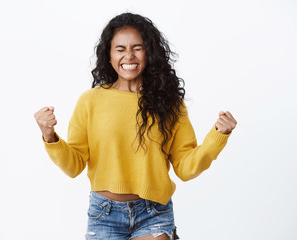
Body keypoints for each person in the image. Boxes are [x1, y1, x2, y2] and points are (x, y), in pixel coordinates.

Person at [34, 12, 237, 240]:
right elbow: (74, 166)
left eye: (137, 48)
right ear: (109, 55)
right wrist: (49, 136)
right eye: (120, 49)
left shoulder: (169, 102)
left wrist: (218, 135)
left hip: (154, 213)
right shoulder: (90, 101)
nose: (128, 56)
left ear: (149, 52)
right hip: (104, 214)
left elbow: (185, 167)